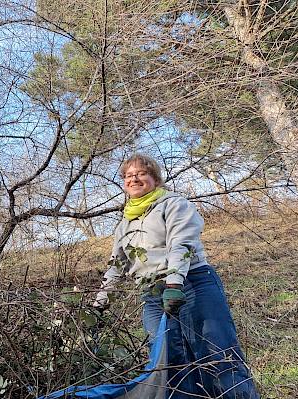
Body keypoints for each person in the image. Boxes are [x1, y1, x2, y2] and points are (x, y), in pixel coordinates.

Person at [93, 154, 259, 399]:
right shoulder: (125, 223)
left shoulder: (173, 204)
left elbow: (181, 244)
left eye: (141, 173)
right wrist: (100, 302)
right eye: (128, 175)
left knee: (216, 353)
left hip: (191, 283)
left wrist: (174, 282)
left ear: (155, 178)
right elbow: (116, 264)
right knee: (168, 362)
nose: (134, 179)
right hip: (152, 294)